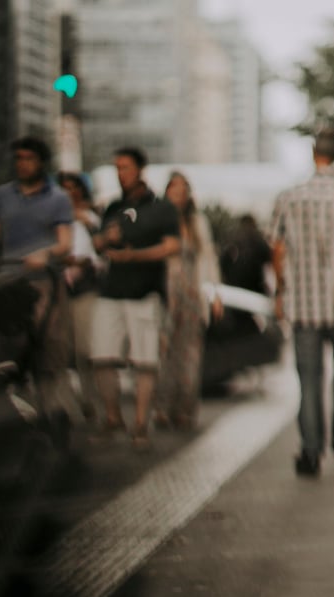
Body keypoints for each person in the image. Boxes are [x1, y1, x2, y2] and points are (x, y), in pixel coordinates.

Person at [269, 129, 334, 476]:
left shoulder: (289, 197)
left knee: (309, 380)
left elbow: (278, 248)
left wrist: (282, 292)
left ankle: (311, 451)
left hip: (302, 304)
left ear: (314, 154)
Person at [89, 147, 181, 451]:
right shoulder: (113, 207)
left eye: (126, 167)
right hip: (112, 290)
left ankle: (140, 424)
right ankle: (113, 416)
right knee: (102, 356)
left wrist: (133, 256)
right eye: (117, 167)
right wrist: (106, 240)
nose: (121, 173)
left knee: (145, 361)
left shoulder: (161, 208)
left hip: (145, 292)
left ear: (140, 169)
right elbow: (97, 245)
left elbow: (171, 247)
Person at [0, 136, 76, 424]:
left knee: (48, 346)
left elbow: (65, 243)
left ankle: (50, 412)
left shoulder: (58, 199)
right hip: (7, 282)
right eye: (18, 158)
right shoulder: (3, 195)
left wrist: (45, 253)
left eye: (29, 158)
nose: (22, 164)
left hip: (43, 283)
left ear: (41, 162)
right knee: (9, 345)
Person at [152, 171, 221, 431]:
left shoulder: (197, 222)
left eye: (183, 190)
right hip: (166, 290)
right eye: (174, 189)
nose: (178, 195)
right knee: (163, 349)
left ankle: (185, 409)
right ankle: (162, 407)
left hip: (192, 292)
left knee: (190, 353)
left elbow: (209, 258)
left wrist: (214, 294)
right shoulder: (158, 221)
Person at [56, 171, 103, 423]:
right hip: (58, 290)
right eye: (64, 187)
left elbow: (99, 251)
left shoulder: (89, 218)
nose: (69, 192)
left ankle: (91, 402)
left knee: (86, 351)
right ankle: (68, 409)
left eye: (73, 187)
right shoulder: (53, 218)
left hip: (85, 289)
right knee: (62, 353)